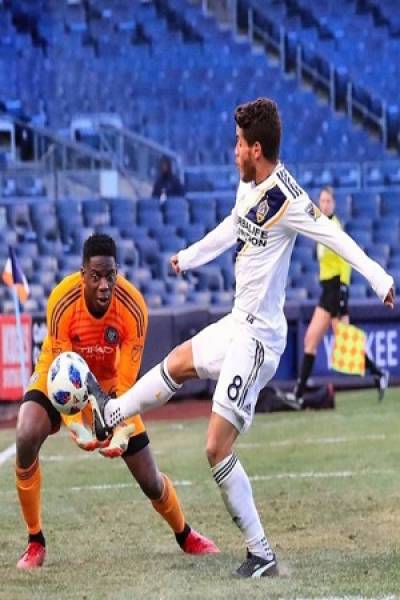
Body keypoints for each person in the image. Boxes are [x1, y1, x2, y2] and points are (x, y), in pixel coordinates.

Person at [88, 99, 395, 578]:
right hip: (237, 322)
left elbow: (335, 238)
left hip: (259, 341)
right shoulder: (248, 184)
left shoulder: (290, 199)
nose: (232, 151)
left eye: (237, 144)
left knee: (215, 448)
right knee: (176, 363)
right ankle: (111, 414)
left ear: (257, 148)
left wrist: (379, 278)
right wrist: (189, 256)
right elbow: (234, 226)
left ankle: (262, 553)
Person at [15, 233, 218, 570]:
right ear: (83, 275)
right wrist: (76, 427)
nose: (104, 285)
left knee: (150, 480)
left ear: (117, 272)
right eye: (95, 276)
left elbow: (125, 385)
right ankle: (35, 540)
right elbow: (66, 375)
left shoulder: (133, 307)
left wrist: (120, 430)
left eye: (110, 275)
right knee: (25, 434)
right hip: (59, 377)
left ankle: (185, 534)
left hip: (109, 389)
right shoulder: (62, 301)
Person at [284, 186, 389, 409]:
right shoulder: (320, 225)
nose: (325, 204)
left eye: (328, 201)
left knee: (337, 340)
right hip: (327, 290)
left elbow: (345, 260)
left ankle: (378, 373)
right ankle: (299, 394)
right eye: (322, 201)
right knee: (315, 339)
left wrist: (343, 291)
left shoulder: (335, 227)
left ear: (334, 204)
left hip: (336, 289)